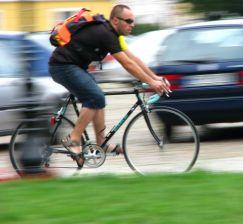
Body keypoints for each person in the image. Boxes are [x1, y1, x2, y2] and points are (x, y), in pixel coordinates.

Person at [48, 4, 170, 165]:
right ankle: (74, 139)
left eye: (133, 21)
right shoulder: (106, 33)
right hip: (62, 66)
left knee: (98, 98)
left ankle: (101, 143)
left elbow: (133, 59)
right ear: (115, 20)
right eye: (128, 21)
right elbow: (127, 64)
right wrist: (152, 83)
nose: (132, 24)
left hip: (75, 67)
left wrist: (155, 78)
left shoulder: (113, 34)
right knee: (95, 97)